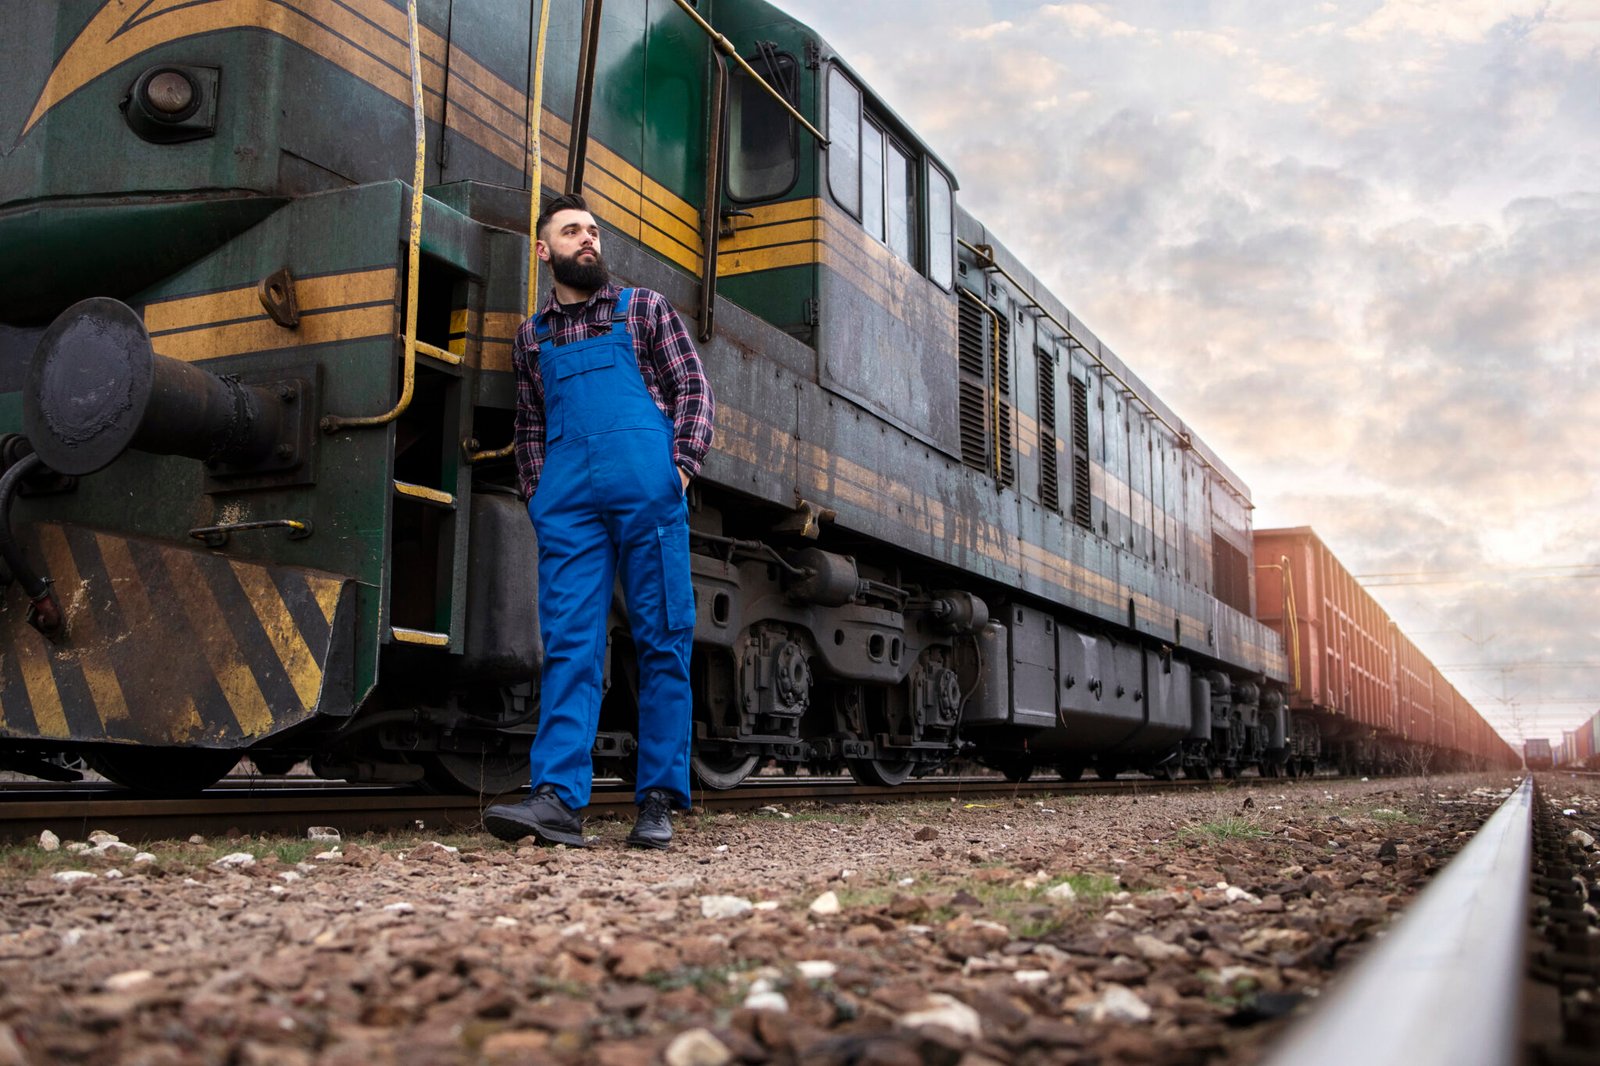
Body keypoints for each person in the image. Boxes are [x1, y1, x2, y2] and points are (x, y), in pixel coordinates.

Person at [483, 193, 714, 849]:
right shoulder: (534, 337)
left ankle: (659, 800)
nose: (587, 240)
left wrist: (681, 468)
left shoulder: (644, 309)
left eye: (591, 230)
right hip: (569, 505)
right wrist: (539, 491)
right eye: (571, 231)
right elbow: (529, 423)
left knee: (663, 638)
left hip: (648, 490)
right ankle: (556, 799)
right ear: (543, 249)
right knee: (569, 646)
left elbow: (691, 386)